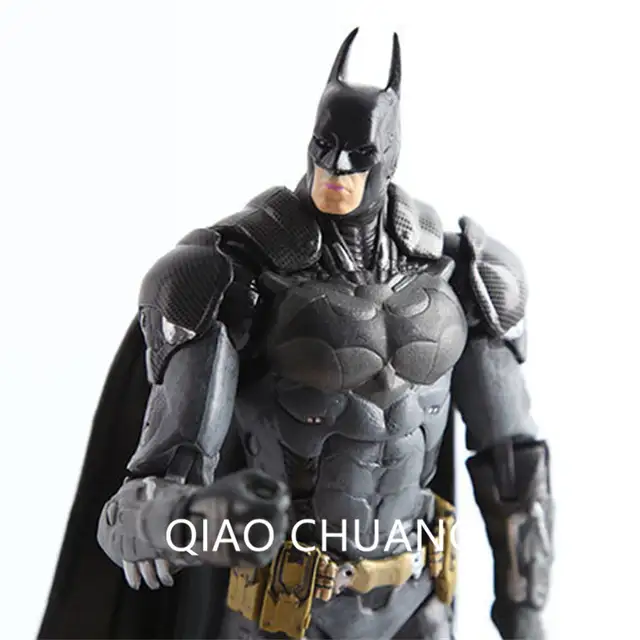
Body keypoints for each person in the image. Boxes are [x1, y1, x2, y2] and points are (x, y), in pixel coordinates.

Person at [39, 28, 553, 640]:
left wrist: (525, 616)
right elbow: (132, 516)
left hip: (416, 609)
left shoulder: (462, 275)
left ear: (388, 156)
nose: (336, 168)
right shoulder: (235, 277)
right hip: (281, 617)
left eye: (357, 155)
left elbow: (514, 468)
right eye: (324, 149)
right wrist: (204, 520)